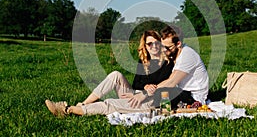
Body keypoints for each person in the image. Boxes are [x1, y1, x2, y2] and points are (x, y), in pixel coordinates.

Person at [45, 30, 174, 117]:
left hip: (152, 101)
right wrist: (144, 87)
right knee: (116, 74)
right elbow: (136, 83)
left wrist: (151, 88)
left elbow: (167, 85)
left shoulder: (167, 63)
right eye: (149, 43)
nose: (153, 46)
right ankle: (84, 103)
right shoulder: (144, 61)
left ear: (160, 43)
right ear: (145, 46)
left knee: (110, 103)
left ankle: (68, 110)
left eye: (156, 42)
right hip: (138, 95)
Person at [129, 25, 209, 109]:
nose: (163, 50)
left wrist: (145, 93)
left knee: (161, 92)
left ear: (178, 44)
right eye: (162, 45)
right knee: (161, 93)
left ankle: (135, 106)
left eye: (167, 47)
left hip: (193, 97)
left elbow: (171, 82)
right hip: (182, 92)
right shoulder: (176, 54)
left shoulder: (187, 55)